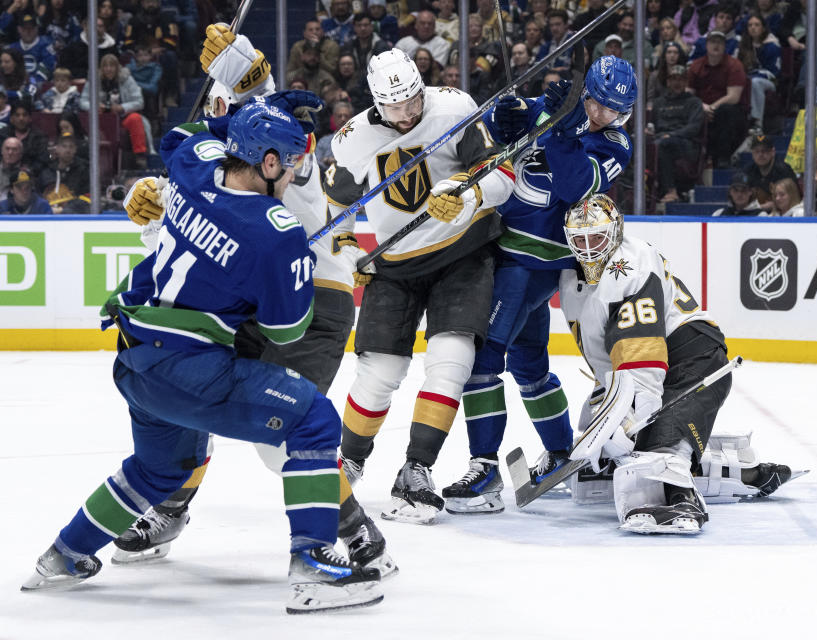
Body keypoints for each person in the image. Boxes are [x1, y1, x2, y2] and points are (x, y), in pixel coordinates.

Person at [20, 100, 384, 613]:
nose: (294, 174)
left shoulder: (194, 162)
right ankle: (315, 565)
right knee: (314, 420)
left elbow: (185, 134)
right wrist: (293, 266)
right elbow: (287, 328)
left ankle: (63, 555)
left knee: (158, 468)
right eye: (290, 162)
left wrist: (248, 120)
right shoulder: (274, 229)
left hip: (134, 358)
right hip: (191, 369)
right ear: (270, 163)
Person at [110, 29, 397, 578]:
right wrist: (148, 213)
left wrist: (255, 78)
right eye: (224, 105)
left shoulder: (284, 147)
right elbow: (186, 245)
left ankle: (357, 529)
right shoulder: (211, 165)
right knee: (183, 395)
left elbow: (279, 131)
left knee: (280, 440)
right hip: (243, 306)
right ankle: (170, 504)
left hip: (314, 300)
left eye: (232, 105)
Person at [324, 48, 516, 524]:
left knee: (451, 361)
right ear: (375, 103)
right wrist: (346, 245)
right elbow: (333, 200)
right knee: (378, 373)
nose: (408, 113)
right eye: (395, 107)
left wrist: (469, 195)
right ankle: (347, 462)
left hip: (462, 255)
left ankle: (416, 470)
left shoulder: (453, 107)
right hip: (393, 265)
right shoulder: (353, 141)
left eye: (412, 100)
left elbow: (503, 177)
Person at [441, 56, 636, 515]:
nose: (606, 116)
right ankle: (562, 452)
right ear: (586, 92)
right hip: (502, 247)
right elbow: (501, 125)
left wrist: (562, 129)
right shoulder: (558, 111)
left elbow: (574, 187)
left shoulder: (615, 145)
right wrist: (507, 115)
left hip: (535, 259)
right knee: (528, 364)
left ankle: (483, 467)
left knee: (483, 359)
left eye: (616, 110)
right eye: (600, 105)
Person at [556, 193, 728, 533]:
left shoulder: (631, 264)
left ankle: (679, 493)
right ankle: (677, 457)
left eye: (597, 237)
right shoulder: (569, 279)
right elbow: (607, 359)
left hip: (693, 356)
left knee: (654, 441)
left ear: (616, 231)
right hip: (646, 365)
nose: (589, 248)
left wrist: (629, 417)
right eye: (580, 239)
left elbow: (642, 359)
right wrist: (603, 419)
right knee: (599, 429)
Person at [687, 30, 748, 169]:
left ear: (725, 46)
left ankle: (722, 158)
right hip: (701, 109)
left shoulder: (734, 65)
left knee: (726, 111)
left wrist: (712, 108)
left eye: (720, 42)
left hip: (728, 111)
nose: (716, 45)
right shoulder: (696, 66)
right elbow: (689, 94)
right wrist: (702, 107)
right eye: (713, 42)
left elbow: (733, 97)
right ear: (706, 45)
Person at [78, 53, 150, 168]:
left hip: (121, 118)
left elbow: (139, 101)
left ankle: (140, 156)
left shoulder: (127, 79)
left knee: (135, 118)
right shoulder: (93, 80)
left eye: (112, 66)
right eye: (105, 66)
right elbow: (83, 102)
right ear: (101, 68)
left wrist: (122, 108)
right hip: (100, 120)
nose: (108, 69)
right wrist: (94, 107)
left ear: (117, 68)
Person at [651, 64, 704, 203]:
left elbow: (694, 128)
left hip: (685, 142)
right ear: (668, 82)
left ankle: (671, 191)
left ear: (686, 82)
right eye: (673, 79)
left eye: (680, 79)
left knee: (664, 144)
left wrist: (672, 135)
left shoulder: (694, 102)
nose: (677, 83)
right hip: (660, 137)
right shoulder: (658, 103)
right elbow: (652, 125)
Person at [122, 0, 179, 108]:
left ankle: (170, 95)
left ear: (158, 3)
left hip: (161, 53)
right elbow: (128, 42)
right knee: (125, 56)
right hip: (138, 54)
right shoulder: (134, 21)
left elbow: (173, 40)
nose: (151, 4)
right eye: (147, 2)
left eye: (153, 1)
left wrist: (157, 50)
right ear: (142, 3)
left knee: (170, 56)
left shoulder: (167, 18)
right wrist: (141, 51)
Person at [737, 13, 781, 134]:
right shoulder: (744, 45)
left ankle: (757, 124)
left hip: (769, 80)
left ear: (763, 28)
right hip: (748, 78)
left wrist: (751, 75)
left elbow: (773, 72)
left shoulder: (772, 45)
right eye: (750, 25)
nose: (753, 27)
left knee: (754, 82)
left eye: (757, 25)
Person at [744, 133, 796, 209]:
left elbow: (795, 197)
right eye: (757, 151)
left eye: (764, 151)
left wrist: (774, 204)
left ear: (773, 152)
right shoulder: (748, 171)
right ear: (752, 153)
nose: (760, 154)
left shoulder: (784, 170)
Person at [4, 100, 50, 175]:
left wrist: (28, 170)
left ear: (30, 118)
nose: (21, 118)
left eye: (24, 115)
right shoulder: (3, 135)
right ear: (11, 118)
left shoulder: (39, 137)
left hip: (31, 176)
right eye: (17, 115)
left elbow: (43, 160)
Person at [9, 13, 57, 84]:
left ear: (37, 28)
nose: (28, 31)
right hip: (15, 84)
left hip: (40, 86)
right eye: (25, 28)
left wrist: (31, 81)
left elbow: (47, 68)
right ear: (19, 29)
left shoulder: (46, 45)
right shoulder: (12, 48)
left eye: (31, 28)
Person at [39, 131, 88, 199]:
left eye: (71, 146)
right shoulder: (47, 171)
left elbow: (86, 196)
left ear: (75, 150)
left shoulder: (84, 171)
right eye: (64, 146)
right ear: (57, 149)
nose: (68, 150)